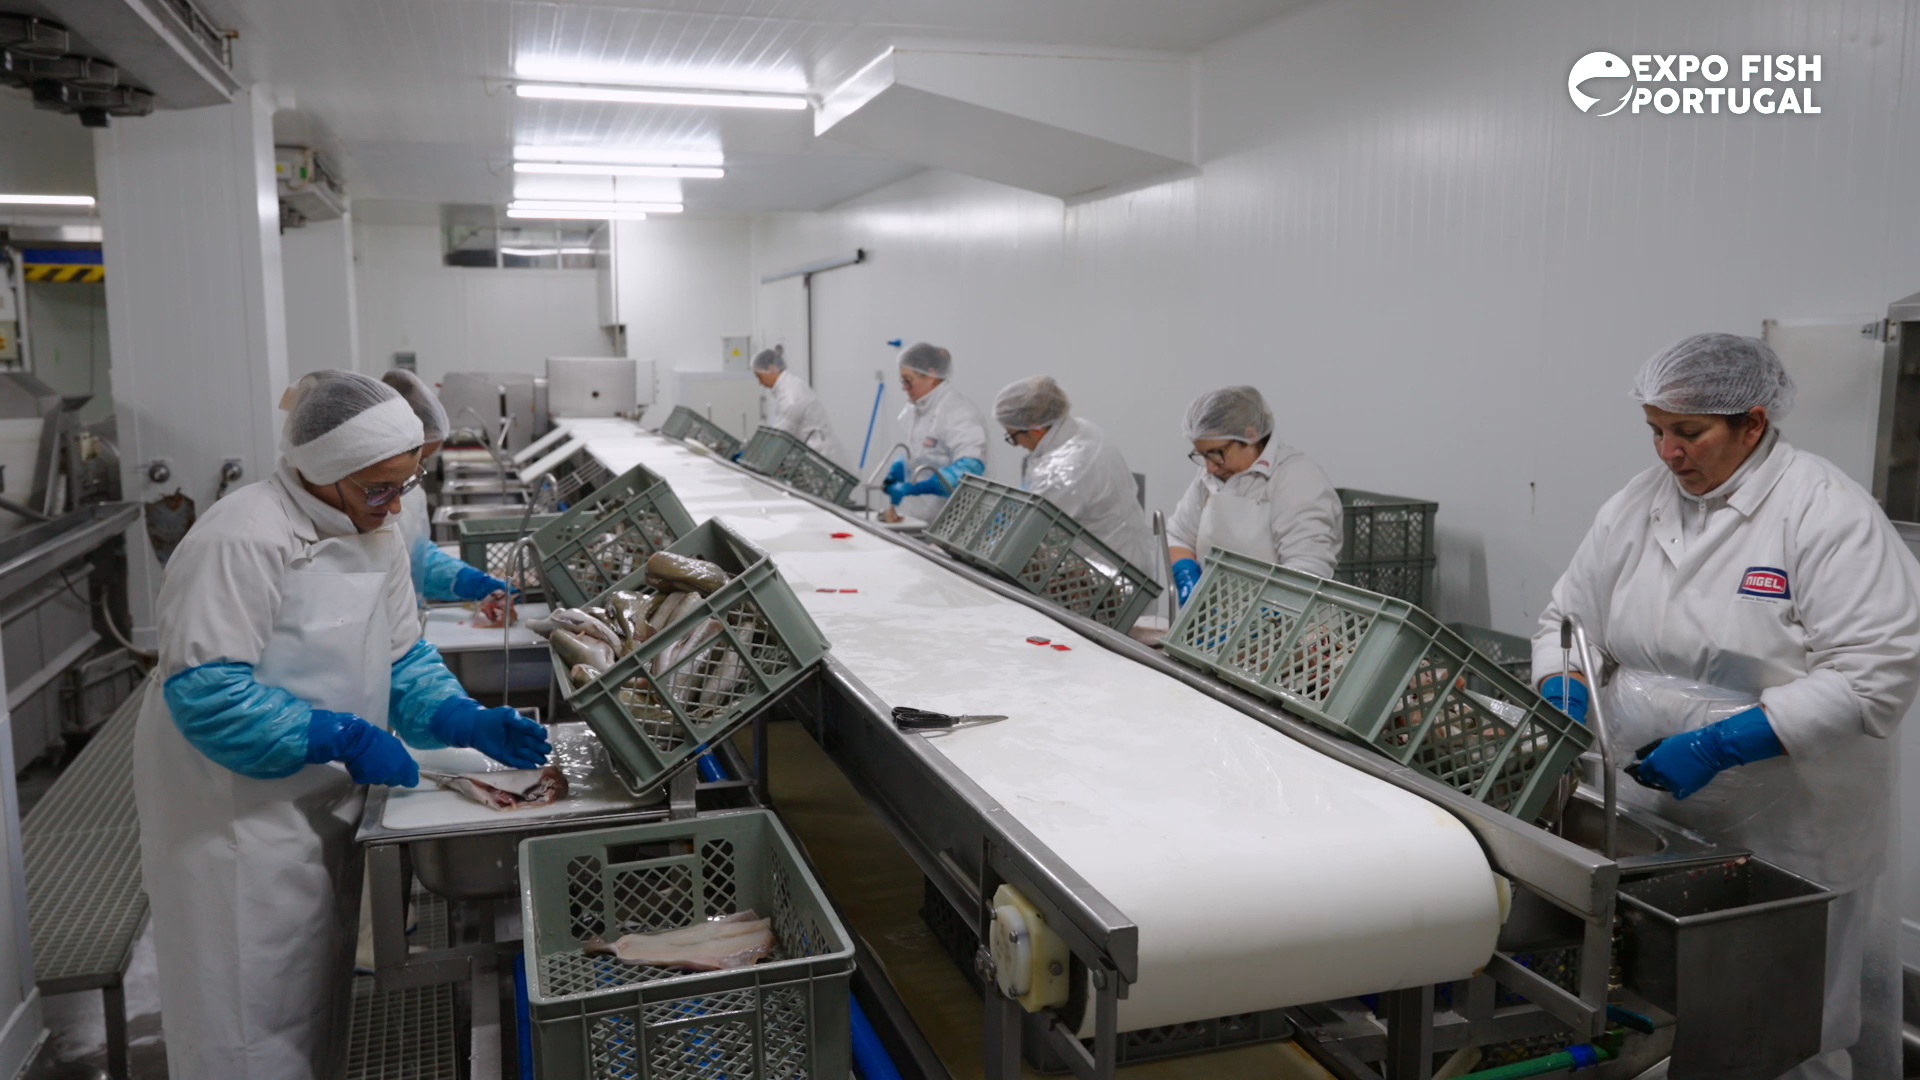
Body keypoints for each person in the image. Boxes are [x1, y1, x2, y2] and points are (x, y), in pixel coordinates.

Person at [133, 371, 552, 1079]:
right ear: (323, 473)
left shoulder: (376, 534)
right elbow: (208, 694)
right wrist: (342, 736)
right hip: (235, 822)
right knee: (244, 1022)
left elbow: (403, 658)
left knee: (314, 999)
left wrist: (463, 717)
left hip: (324, 804)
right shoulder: (242, 536)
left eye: (405, 484)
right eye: (378, 488)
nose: (394, 506)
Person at [1533, 333, 1920, 1080]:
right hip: (1651, 802)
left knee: (1785, 1022)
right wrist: (1566, 682)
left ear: (1753, 424)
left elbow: (1874, 674)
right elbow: (1566, 621)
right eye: (1655, 431)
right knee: (1659, 1002)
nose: (1668, 454)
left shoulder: (1826, 511)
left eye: (1689, 432)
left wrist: (1722, 744)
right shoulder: (1637, 504)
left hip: (1791, 817)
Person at [1165, 386, 1342, 604]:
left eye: (1217, 453)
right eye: (1202, 455)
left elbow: (1308, 569)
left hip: (1285, 618)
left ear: (1250, 436)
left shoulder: (1297, 478)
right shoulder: (1212, 475)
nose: (1210, 467)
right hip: (1215, 617)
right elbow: (1179, 536)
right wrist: (1187, 578)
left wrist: (1265, 616)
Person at [993, 375, 1157, 577]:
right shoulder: (1083, 430)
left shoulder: (1062, 472)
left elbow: (1029, 537)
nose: (1017, 445)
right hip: (1122, 559)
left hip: (1104, 576)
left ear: (1035, 431)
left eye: (1012, 436)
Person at [379, 368, 513, 604]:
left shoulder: (411, 492)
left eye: (425, 461)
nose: (418, 472)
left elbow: (415, 554)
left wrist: (466, 580)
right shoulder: (361, 501)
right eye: (419, 459)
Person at [883, 341, 988, 522]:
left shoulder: (958, 411)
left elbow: (970, 469)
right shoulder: (918, 409)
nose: (904, 388)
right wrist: (902, 466)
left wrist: (920, 487)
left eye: (908, 380)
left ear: (931, 374)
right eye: (902, 381)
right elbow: (922, 453)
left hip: (952, 520)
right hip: (919, 516)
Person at [752, 345, 842, 461]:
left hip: (819, 454)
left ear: (772, 368)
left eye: (760, 377)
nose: (760, 382)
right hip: (814, 451)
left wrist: (762, 456)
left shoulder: (790, 396)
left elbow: (782, 434)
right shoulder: (788, 386)